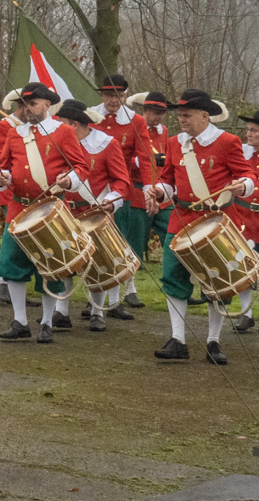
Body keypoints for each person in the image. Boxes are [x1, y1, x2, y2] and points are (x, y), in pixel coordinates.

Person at [148, 91, 256, 364]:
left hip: (216, 221)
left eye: (187, 115)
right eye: (180, 116)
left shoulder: (227, 141)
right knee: (173, 277)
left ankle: (213, 341)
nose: (181, 120)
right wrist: (159, 192)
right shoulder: (175, 143)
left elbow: (247, 174)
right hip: (182, 219)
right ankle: (178, 340)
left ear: (205, 116)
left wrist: (243, 185)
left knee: (218, 280)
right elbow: (168, 181)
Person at [0, 83, 89, 343]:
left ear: (47, 104)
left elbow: (80, 166)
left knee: (51, 266)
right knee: (12, 264)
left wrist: (70, 180)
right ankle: (20, 321)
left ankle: (46, 322)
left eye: (32, 104)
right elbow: (2, 166)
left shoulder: (64, 132)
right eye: (23, 105)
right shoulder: (15, 133)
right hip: (18, 207)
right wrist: (1, 178)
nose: (27, 109)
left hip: (50, 208)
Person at [52, 99, 130, 331]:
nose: (59, 128)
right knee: (65, 260)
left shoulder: (106, 144)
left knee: (99, 263)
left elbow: (121, 180)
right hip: (66, 210)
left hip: (96, 211)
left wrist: (111, 201)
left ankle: (97, 312)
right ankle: (61, 311)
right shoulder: (59, 143)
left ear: (74, 125)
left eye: (63, 124)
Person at [85, 76, 157, 319]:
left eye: (119, 95)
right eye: (109, 95)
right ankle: (93, 299)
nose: (113, 100)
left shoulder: (136, 121)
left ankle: (114, 301)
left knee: (117, 244)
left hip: (118, 191)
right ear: (101, 95)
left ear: (125, 96)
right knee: (92, 245)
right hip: (91, 190)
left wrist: (149, 188)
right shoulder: (90, 116)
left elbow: (145, 157)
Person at [129, 91, 175, 308]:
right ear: (145, 110)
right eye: (156, 112)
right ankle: (130, 289)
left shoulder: (163, 132)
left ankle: (178, 284)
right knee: (136, 241)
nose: (159, 117)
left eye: (162, 113)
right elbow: (121, 158)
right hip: (139, 190)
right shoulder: (133, 127)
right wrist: (141, 161)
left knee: (174, 237)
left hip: (161, 193)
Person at [0, 89, 26, 306]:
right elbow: (1, 158)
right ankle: (1, 281)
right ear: (20, 106)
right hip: (9, 190)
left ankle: (13, 283)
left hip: (26, 191)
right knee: (11, 236)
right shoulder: (4, 127)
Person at [234, 111, 259, 333]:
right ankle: (246, 314)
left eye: (254, 131)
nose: (248, 134)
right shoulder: (241, 152)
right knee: (244, 264)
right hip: (243, 217)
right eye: (248, 130)